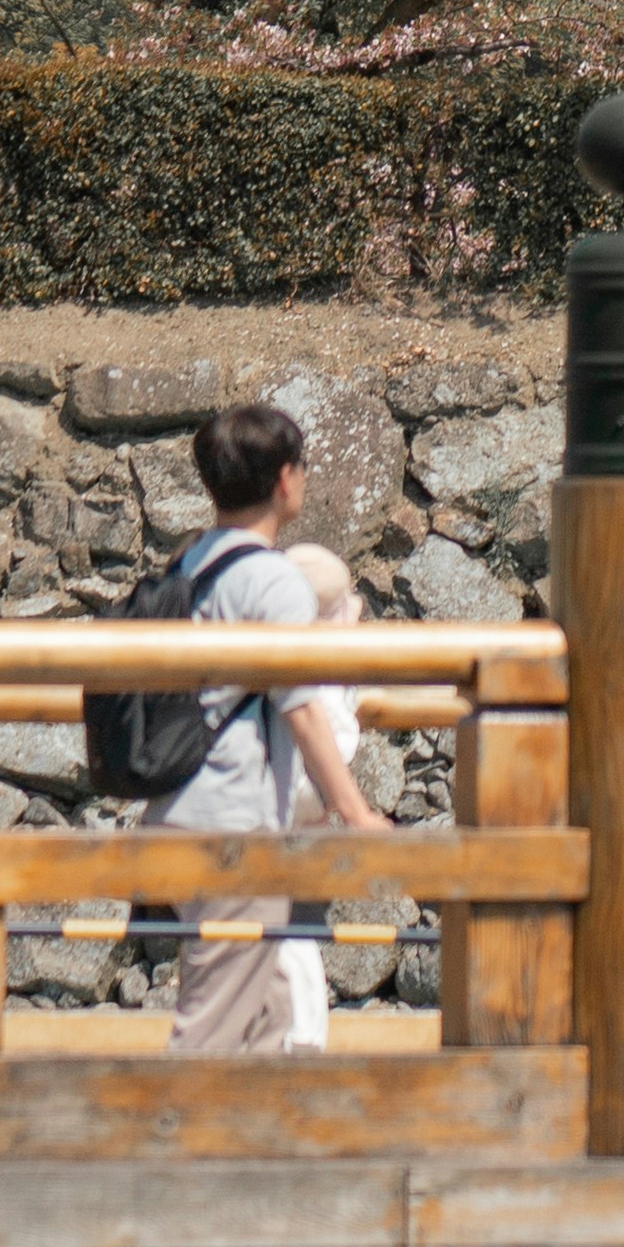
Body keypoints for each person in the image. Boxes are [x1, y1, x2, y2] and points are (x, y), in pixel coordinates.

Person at [151, 400, 390, 1053]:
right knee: (213, 1026)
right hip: (233, 820)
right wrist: (357, 813)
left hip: (175, 803)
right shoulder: (273, 581)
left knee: (275, 1013)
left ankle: (251, 1147)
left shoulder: (188, 563)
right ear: (287, 479)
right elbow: (305, 710)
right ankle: (156, 1143)